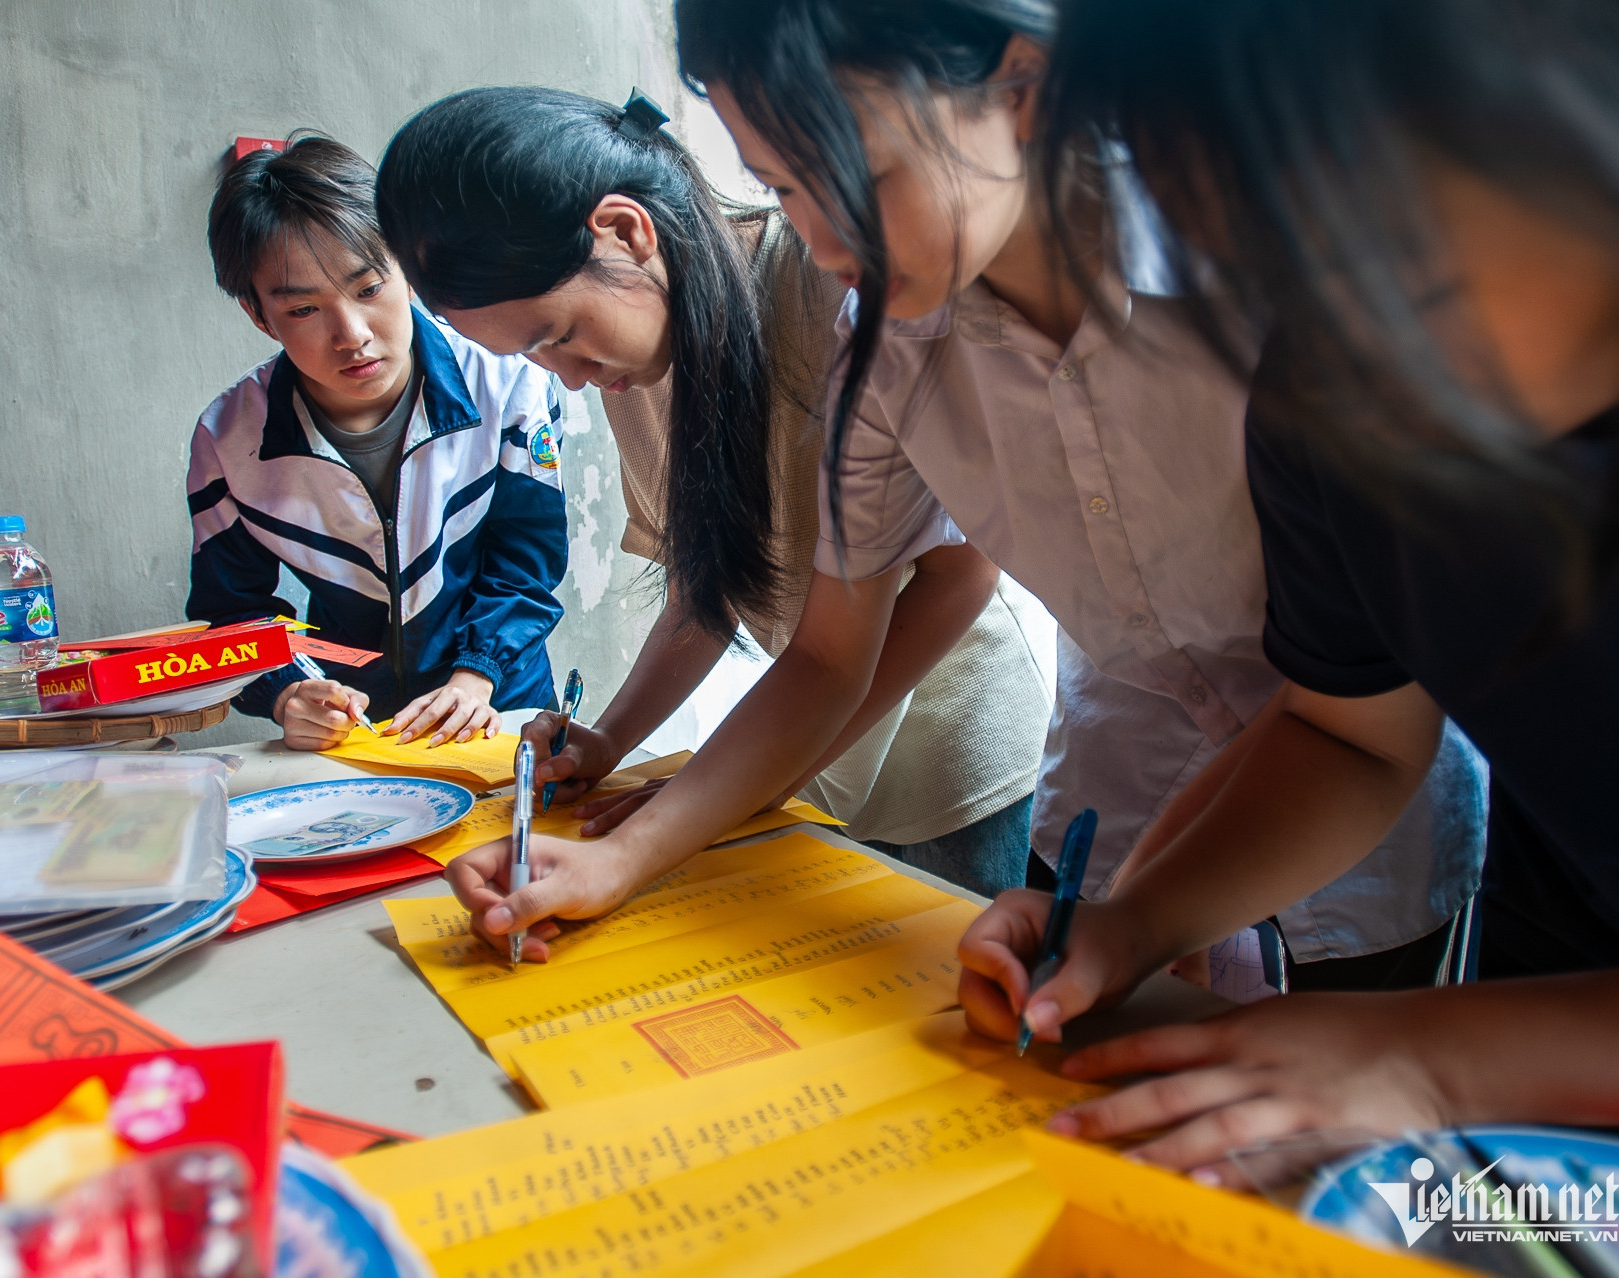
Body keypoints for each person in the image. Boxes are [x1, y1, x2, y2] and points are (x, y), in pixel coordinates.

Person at [439, 0, 1484, 991]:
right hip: (1119, 786)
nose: (826, 242)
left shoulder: (1268, 269)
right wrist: (622, 860)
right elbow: (824, 653)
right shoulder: (885, 342)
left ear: (1018, 86)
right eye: (784, 184)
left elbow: (1354, 728)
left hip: (1358, 796)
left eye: (858, 175)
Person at [951, 0, 1619, 1176]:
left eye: (1376, 229)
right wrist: (1137, 922)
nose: (1326, 316)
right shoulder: (1325, 402)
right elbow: (1353, 733)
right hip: (1569, 978)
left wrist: (1439, 1057)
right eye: (1249, 251)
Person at [375, 86, 1055, 897]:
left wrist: (731, 790)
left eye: (558, 333)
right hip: (796, 727)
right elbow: (708, 585)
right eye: (536, 356)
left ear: (626, 233)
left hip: (945, 738)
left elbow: (954, 583)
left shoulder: (828, 301)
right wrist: (610, 740)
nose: (574, 379)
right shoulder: (632, 374)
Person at [185, 135, 568, 751]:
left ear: (408, 268)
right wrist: (286, 691)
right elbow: (228, 615)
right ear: (259, 314)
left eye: (368, 289)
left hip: (502, 701)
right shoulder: (229, 441)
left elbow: (526, 563)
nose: (353, 334)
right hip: (351, 729)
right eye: (305, 309)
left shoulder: (509, 384)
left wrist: (475, 678)